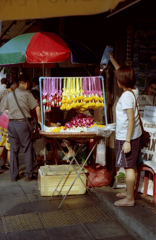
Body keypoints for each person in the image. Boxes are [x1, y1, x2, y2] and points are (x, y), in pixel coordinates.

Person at [108, 53, 142, 207]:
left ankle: (129, 198)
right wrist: (112, 59)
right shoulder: (133, 90)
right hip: (131, 135)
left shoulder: (127, 96)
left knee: (129, 166)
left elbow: (131, 119)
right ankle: (129, 192)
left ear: (122, 81)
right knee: (130, 165)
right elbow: (121, 71)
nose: (117, 80)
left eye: (118, 78)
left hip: (128, 136)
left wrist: (127, 141)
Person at [5, 74, 41, 182]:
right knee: (26, 148)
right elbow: (37, 107)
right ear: (27, 83)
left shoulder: (10, 95)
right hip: (22, 124)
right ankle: (29, 174)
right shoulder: (27, 93)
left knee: (13, 150)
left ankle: (13, 176)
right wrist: (39, 121)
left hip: (11, 124)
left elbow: (7, 111)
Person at [0, 78, 10, 173]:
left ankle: (3, 163)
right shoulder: (5, 91)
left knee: (2, 144)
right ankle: (11, 166)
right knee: (8, 146)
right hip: (5, 120)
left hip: (1, 118)